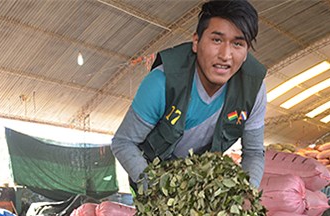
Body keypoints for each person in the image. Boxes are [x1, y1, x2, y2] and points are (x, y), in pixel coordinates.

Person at [111, 0, 266, 190]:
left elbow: (254, 152)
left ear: (246, 52)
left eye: (237, 44)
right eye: (216, 40)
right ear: (196, 42)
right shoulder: (162, 82)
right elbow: (123, 142)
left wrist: (248, 192)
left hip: (201, 184)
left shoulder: (253, 89)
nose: (226, 55)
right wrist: (154, 191)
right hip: (152, 177)